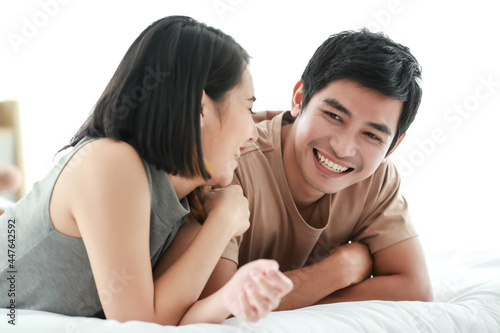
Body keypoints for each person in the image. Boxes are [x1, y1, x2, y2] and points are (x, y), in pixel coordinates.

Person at [0, 16, 292, 325]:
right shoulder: (111, 162)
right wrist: (223, 222)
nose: (255, 131)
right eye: (248, 108)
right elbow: (137, 323)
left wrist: (231, 294)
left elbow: (170, 316)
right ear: (200, 108)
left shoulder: (189, 201)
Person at [168, 29, 433, 310]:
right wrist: (335, 272)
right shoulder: (230, 162)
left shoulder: (378, 177)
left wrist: (309, 296)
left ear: (393, 145)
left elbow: (414, 288)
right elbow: (215, 307)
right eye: (333, 116)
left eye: (372, 136)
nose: (342, 148)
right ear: (299, 98)